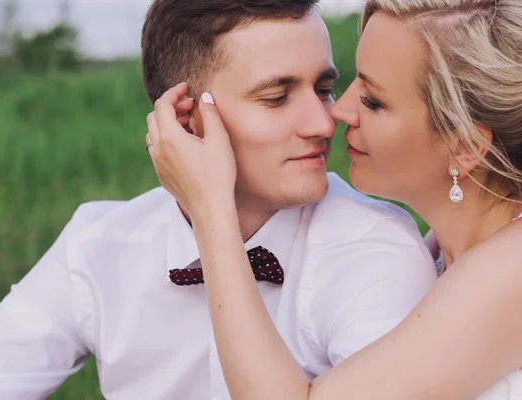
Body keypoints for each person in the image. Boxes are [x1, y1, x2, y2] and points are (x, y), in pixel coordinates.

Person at [0, 1, 438, 399]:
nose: (324, 122)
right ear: (186, 118)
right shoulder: (101, 244)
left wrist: (213, 212)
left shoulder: (375, 246)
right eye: (277, 97)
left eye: (323, 88)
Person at [146, 0, 522, 398]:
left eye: (373, 101)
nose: (336, 113)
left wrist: (211, 208)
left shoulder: (512, 267)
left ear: (464, 145)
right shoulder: (448, 253)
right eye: (348, 85)